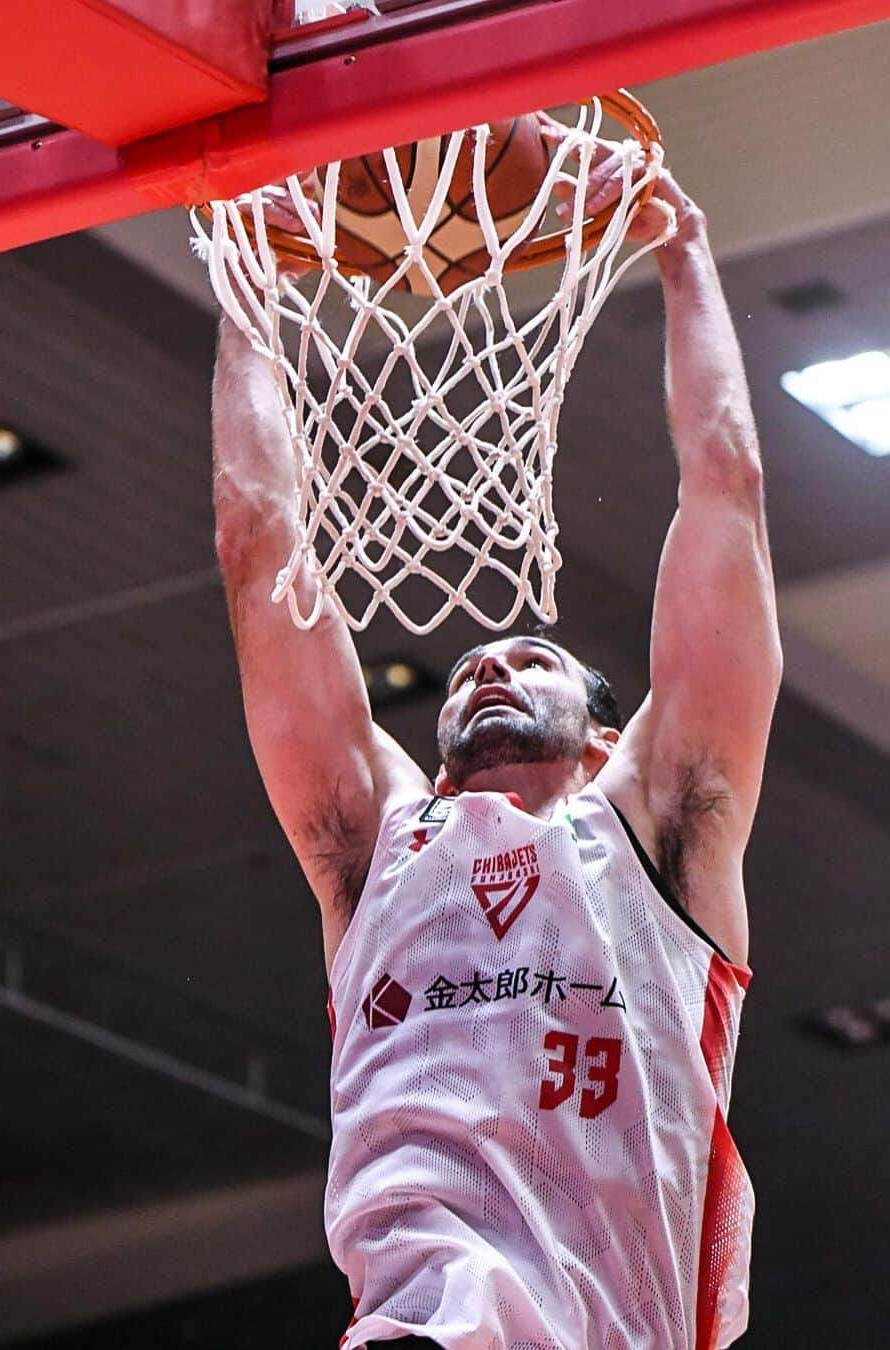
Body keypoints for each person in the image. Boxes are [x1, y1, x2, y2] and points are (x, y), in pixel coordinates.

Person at [210, 140, 781, 1350]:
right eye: (471, 666)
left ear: (607, 738)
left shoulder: (660, 832)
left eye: (529, 658)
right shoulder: (377, 843)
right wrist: (248, 290)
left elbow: (725, 483)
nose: (485, 666)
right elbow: (261, 549)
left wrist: (682, 253)